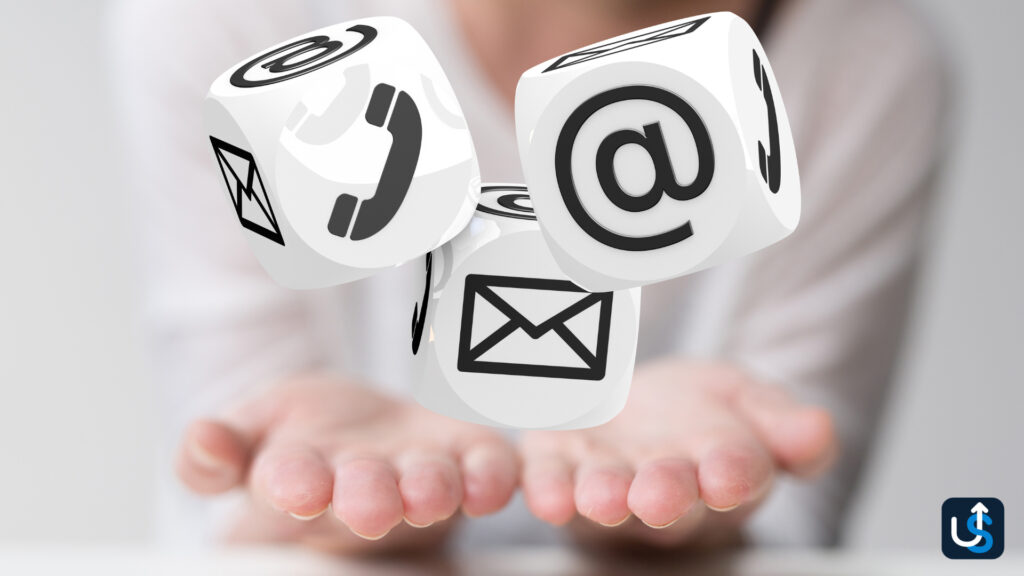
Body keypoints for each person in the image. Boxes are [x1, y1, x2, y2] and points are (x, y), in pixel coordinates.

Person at [109, 0, 947, 553]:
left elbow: (798, 512)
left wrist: (708, 519)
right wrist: (302, 506)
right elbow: (225, 483)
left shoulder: (867, 60)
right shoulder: (224, 20)